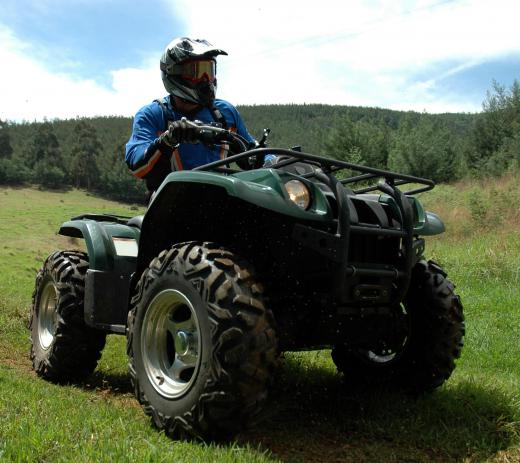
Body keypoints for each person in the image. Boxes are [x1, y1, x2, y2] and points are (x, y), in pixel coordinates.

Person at [125, 37, 260, 194]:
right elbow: (138, 166)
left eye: (209, 71)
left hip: (221, 201)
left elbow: (252, 154)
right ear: (173, 73)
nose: (206, 80)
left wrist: (276, 159)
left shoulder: (225, 113)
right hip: (170, 203)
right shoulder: (153, 114)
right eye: (196, 72)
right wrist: (168, 140)